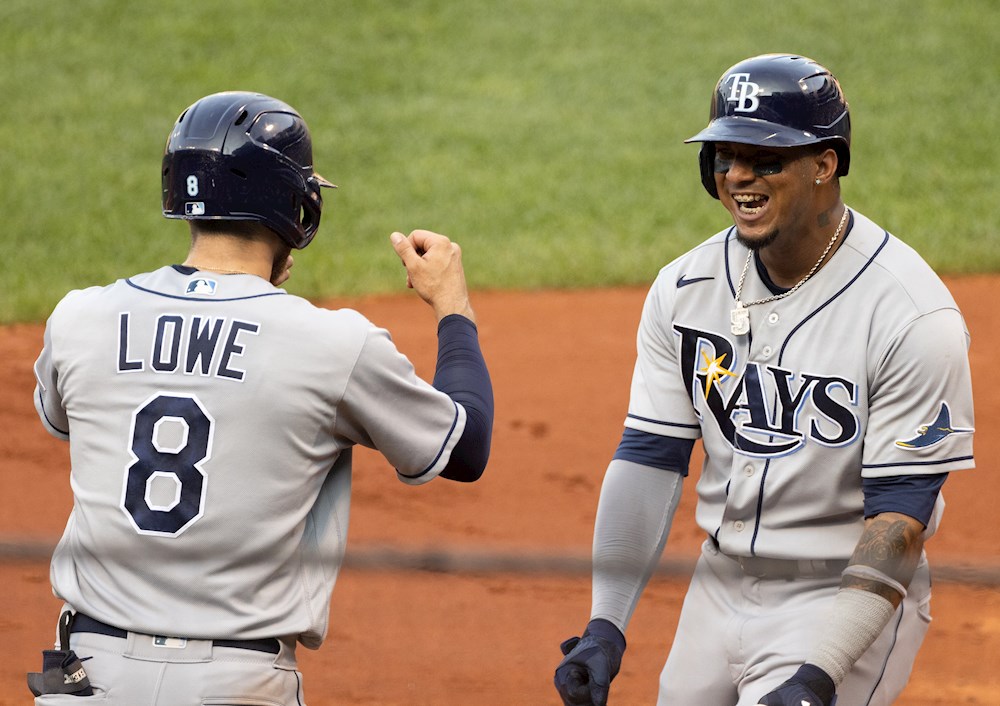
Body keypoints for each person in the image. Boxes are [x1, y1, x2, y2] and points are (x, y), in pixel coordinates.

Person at [28, 91, 494, 704]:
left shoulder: (79, 317)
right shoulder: (331, 343)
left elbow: (66, 418)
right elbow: (464, 448)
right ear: (293, 203)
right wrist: (452, 308)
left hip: (88, 676)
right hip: (234, 683)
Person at [553, 54, 975, 706]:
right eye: (725, 156)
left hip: (841, 597)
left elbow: (900, 521)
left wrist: (817, 673)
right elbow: (649, 457)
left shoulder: (911, 315)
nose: (739, 176)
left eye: (765, 159)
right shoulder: (684, 289)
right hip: (717, 584)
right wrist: (604, 623)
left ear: (825, 163)